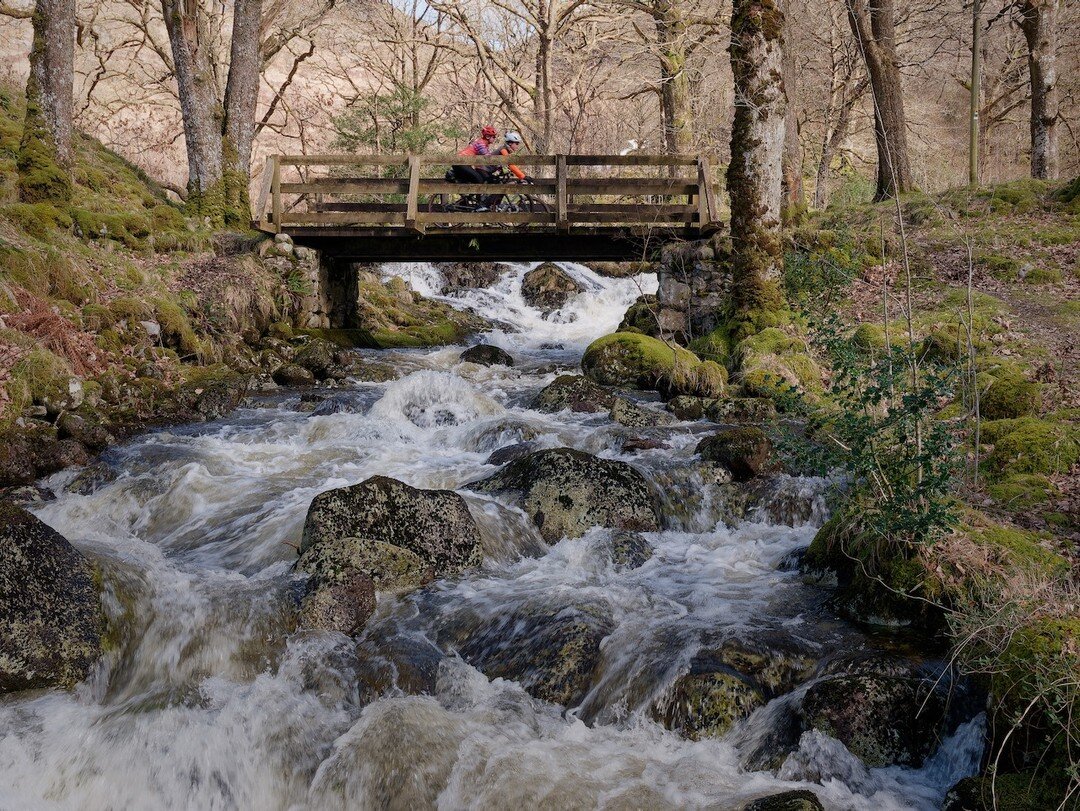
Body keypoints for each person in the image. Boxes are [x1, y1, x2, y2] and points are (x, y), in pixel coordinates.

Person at [483, 131, 536, 209]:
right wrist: (523, 177)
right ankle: (485, 206)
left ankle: (492, 206)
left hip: (488, 171)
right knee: (498, 189)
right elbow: (511, 165)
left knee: (499, 188)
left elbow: (505, 166)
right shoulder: (503, 150)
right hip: (484, 171)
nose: (517, 146)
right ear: (510, 143)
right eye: (516, 144)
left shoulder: (506, 151)